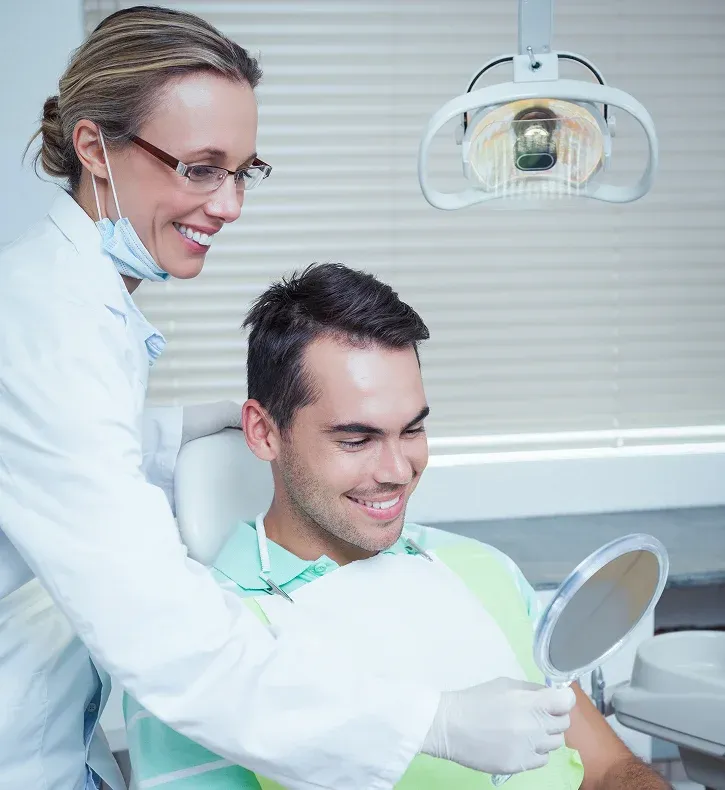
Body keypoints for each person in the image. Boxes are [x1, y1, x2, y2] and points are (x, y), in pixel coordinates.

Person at [0, 7, 576, 790]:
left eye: (243, 171)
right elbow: (168, 639)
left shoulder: (71, 309)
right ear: (96, 147)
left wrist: (176, 435)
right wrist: (428, 724)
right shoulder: (49, 327)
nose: (230, 204)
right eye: (199, 168)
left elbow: (59, 458)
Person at [124, 262, 671, 790]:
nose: (396, 472)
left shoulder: (480, 569)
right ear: (265, 433)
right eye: (356, 440)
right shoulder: (199, 649)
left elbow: (606, 770)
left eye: (411, 431)